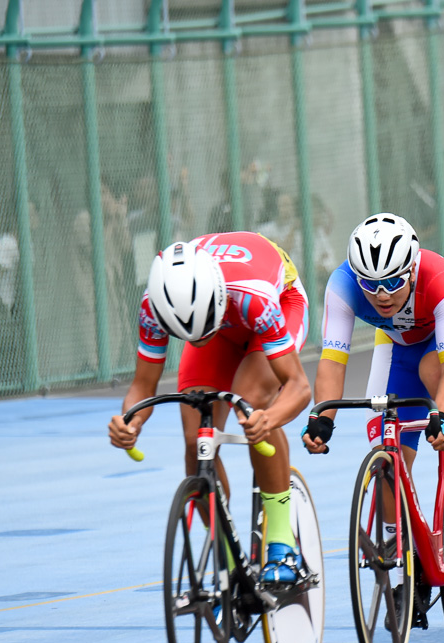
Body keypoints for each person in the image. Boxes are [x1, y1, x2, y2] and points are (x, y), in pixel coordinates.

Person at [108, 233, 313, 585]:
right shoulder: (153, 308)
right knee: (194, 439)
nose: (195, 337)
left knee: (251, 400)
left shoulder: (254, 298)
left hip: (277, 304)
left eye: (201, 328)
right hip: (219, 323)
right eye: (185, 334)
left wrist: (270, 419)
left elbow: (299, 386)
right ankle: (228, 556)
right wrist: (130, 422)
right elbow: (142, 388)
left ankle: (283, 545)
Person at [303, 213, 444, 539]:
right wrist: (323, 416)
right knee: (386, 449)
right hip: (399, 342)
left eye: (392, 283)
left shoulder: (438, 278)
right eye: (370, 285)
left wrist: (442, 415)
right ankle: (403, 551)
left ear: (412, 269)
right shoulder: (342, 285)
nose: (382, 296)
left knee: (432, 370)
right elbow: (333, 362)